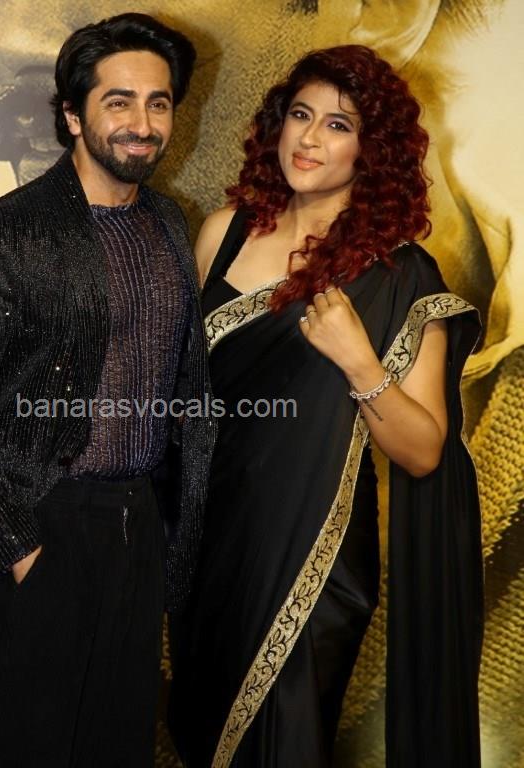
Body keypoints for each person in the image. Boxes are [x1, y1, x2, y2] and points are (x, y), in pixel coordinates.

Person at [0, 13, 215, 767]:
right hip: (42, 520)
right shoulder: (2, 232)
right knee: (17, 747)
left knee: (118, 744)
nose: (143, 124)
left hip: (139, 527)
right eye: (119, 102)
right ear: (73, 115)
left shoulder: (170, 223)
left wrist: (175, 526)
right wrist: (23, 553)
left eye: (159, 102)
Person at [167, 45, 483, 767]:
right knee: (202, 737)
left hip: (312, 554)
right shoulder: (223, 234)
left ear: (372, 150)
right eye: (300, 115)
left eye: (338, 125)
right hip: (208, 544)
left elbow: (423, 451)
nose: (309, 139)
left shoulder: (399, 274)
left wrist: (358, 360)